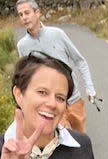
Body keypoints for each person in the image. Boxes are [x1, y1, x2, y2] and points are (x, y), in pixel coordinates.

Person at [15, 0, 97, 133]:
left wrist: (90, 87)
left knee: (81, 141)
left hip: (73, 99)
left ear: (38, 13)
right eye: (20, 14)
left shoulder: (57, 34)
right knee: (61, 145)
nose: (24, 17)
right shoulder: (22, 46)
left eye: (27, 13)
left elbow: (80, 61)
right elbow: (26, 79)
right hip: (51, 105)